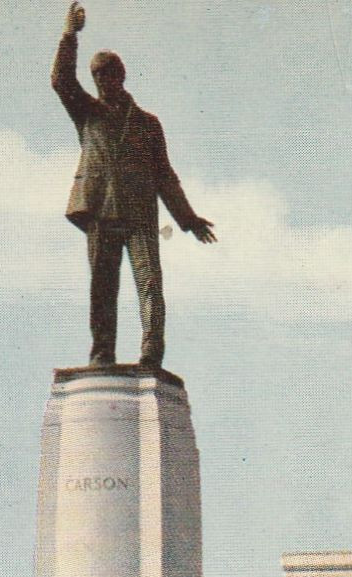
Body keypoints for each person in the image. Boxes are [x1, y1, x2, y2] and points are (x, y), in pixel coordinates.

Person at [52, 1, 216, 368]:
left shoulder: (147, 124)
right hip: (101, 212)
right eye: (96, 76)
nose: (101, 81)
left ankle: (150, 355)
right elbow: (61, 81)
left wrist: (188, 220)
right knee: (102, 289)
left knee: (150, 285)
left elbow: (165, 176)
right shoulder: (88, 113)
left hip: (140, 215)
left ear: (121, 76)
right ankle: (102, 354)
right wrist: (69, 36)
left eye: (107, 74)